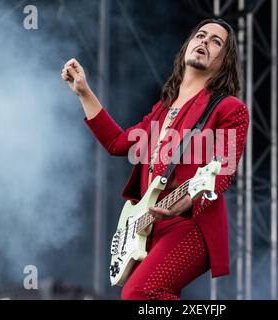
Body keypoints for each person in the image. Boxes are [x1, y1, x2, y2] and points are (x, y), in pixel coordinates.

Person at [61, 18, 249, 300]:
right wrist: (84, 93)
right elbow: (116, 143)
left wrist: (186, 200)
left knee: (138, 293)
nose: (204, 42)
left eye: (215, 41)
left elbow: (223, 170)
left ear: (224, 62)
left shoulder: (228, 108)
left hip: (190, 224)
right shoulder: (162, 111)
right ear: (187, 47)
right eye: (200, 35)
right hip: (148, 226)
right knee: (144, 296)